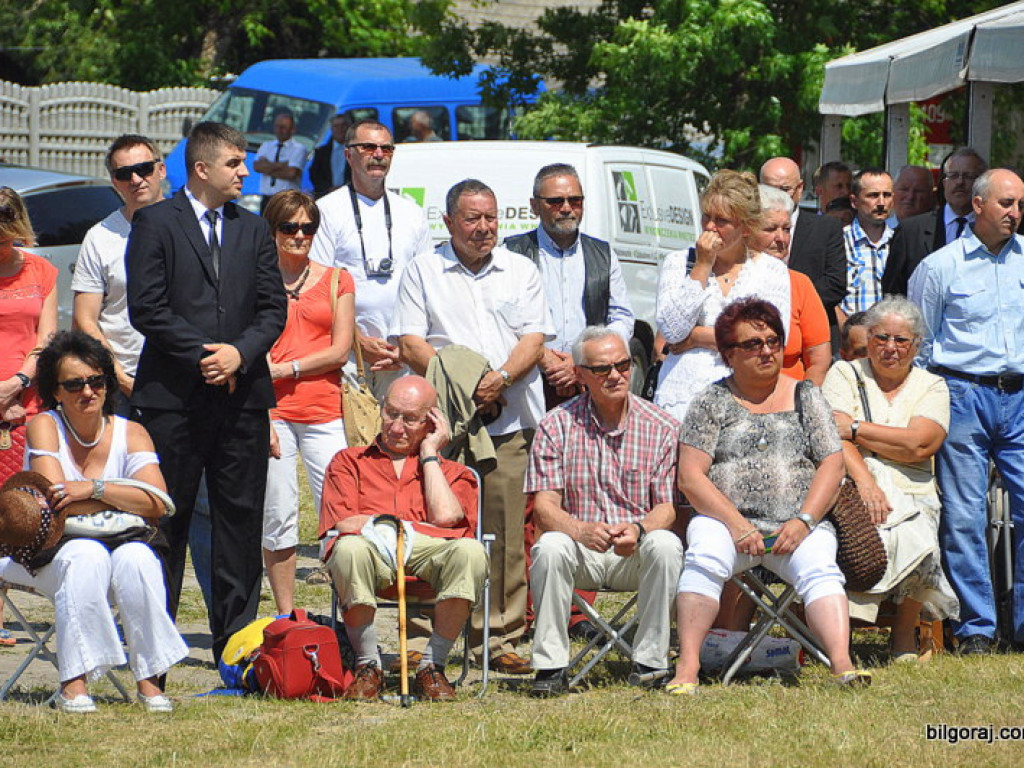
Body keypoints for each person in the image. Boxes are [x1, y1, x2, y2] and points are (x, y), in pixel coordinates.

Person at [125, 121, 288, 661]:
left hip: (242, 398)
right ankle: (156, 648)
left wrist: (239, 353)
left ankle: (236, 646)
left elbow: (272, 309)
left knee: (239, 522)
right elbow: (148, 308)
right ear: (202, 169)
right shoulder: (155, 223)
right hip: (173, 399)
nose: (246, 172)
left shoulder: (253, 228)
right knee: (165, 517)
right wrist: (205, 355)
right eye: (235, 163)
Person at [392, 178, 553, 675]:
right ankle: (425, 638)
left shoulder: (521, 270)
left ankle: (499, 638)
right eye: (471, 219)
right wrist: (467, 385)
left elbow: (534, 339)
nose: (483, 228)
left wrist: (500, 379)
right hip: (443, 426)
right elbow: (412, 343)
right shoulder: (423, 270)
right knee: (436, 529)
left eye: (490, 218)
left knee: (503, 532)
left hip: (510, 420)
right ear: (448, 222)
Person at [667, 298, 869, 694]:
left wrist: (804, 521)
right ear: (728, 354)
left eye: (773, 341)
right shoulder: (710, 401)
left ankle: (842, 664)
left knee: (821, 569)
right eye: (752, 344)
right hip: (726, 523)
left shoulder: (807, 395)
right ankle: (687, 666)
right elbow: (691, 477)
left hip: (797, 524)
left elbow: (832, 465)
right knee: (704, 558)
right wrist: (738, 526)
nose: (766, 350)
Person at [0, 330, 188, 712]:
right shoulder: (44, 425)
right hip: (37, 552)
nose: (87, 391)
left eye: (96, 381)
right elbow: (56, 503)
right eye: (74, 384)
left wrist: (92, 488)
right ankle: (74, 683)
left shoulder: (131, 432)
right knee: (87, 553)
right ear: (55, 391)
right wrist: (120, 496)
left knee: (138, 558)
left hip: (118, 547)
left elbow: (156, 502)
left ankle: (149, 683)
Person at [72, 134, 217, 619]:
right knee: (122, 499)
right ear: (113, 183)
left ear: (162, 170)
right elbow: (87, 320)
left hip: (187, 384)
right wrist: (118, 376)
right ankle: (125, 612)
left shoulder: (191, 225)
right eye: (122, 174)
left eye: (144, 169)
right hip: (124, 388)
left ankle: (210, 623)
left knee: (195, 505)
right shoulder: (102, 237)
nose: (135, 180)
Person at [525, 327, 683, 696]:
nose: (615, 375)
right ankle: (550, 667)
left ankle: (651, 662)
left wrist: (639, 529)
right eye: (601, 369)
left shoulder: (662, 427)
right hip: (582, 550)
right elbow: (544, 509)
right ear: (579, 374)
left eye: (623, 365)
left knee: (665, 545)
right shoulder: (555, 424)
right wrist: (579, 530)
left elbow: (666, 508)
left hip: (635, 550)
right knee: (549, 547)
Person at [909, 168, 1024, 654]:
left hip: (1019, 395)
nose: (1014, 214)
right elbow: (921, 342)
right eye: (1005, 204)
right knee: (963, 514)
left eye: (1019, 204)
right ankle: (976, 626)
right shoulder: (940, 267)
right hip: (962, 394)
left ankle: (1019, 624)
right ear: (977, 206)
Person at [320, 376, 487, 701]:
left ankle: (432, 666)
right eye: (391, 414)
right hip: (372, 556)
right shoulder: (348, 462)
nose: (396, 427)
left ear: (432, 421)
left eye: (410, 419)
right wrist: (406, 528)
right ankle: (369, 666)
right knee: (349, 547)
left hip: (429, 560)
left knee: (471, 551)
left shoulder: (455, 473)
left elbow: (448, 518)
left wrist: (429, 455)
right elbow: (343, 522)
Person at [822, 296, 958, 660]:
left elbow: (919, 446)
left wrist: (855, 427)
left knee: (921, 526)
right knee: (860, 525)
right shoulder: (844, 373)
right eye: (881, 338)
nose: (890, 348)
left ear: (916, 345)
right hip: (853, 481)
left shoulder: (932, 385)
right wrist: (867, 482)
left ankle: (902, 637)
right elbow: (832, 438)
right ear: (869, 339)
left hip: (914, 485)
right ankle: (842, 633)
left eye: (901, 340)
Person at [262, 190, 355, 614]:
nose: (300, 235)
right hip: (273, 411)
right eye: (290, 227)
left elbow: (340, 350)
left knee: (338, 513)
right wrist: (262, 407)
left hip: (324, 409)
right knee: (278, 514)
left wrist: (288, 369)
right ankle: (286, 616)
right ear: (272, 229)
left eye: (308, 227)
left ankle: (347, 615)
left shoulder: (337, 279)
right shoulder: (254, 278)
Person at [655, 170, 790, 421]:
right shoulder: (678, 263)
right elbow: (672, 331)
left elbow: (768, 341)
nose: (709, 226)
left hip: (747, 402)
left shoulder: (772, 271)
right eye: (706, 216)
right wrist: (702, 266)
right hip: (683, 401)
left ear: (746, 227)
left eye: (722, 220)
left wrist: (696, 336)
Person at [310, 119, 431, 399]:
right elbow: (319, 286)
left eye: (386, 149)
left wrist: (408, 346)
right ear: (348, 154)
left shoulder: (411, 213)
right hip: (348, 356)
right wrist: (357, 341)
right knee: (354, 441)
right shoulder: (326, 211)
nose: (378, 154)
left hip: (402, 355)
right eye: (368, 147)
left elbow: (426, 286)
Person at [505, 163, 634, 407]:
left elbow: (622, 318)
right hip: (528, 383)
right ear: (534, 206)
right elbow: (502, 319)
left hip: (589, 382)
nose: (566, 208)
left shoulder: (603, 254)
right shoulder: (511, 253)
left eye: (574, 200)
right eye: (555, 201)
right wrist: (543, 357)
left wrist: (581, 362)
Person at [0, 186, 58, 646]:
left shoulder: (42, 270)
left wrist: (17, 383)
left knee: (15, 508)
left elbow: (46, 339)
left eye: (7, 237)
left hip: (25, 402)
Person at [882, 147, 988, 296]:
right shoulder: (910, 231)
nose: (959, 182)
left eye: (968, 176)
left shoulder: (993, 230)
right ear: (944, 183)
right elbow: (892, 292)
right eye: (953, 175)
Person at [760, 157, 846, 338]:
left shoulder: (827, 228)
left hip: (812, 329)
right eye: (769, 189)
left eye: (784, 189)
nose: (777, 196)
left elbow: (834, 284)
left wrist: (792, 304)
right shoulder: (747, 228)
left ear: (799, 188)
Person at [753, 184, 830, 386]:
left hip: (789, 401)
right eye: (770, 229)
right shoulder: (726, 278)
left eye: (786, 229)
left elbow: (819, 359)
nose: (781, 238)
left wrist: (805, 401)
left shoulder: (800, 284)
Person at [838, 168, 895, 323]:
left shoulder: (900, 241)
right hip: (850, 340)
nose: (881, 203)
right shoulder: (838, 242)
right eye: (873, 195)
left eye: (887, 195)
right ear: (854, 201)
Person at [252, 111, 307, 214]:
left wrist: (267, 166)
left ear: (292, 129)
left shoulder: (299, 149)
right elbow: (257, 166)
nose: (279, 130)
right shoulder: (266, 146)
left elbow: (291, 174)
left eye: (283, 127)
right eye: (277, 126)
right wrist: (281, 165)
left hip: (287, 200)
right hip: (267, 198)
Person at [309, 113, 352, 200]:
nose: (339, 129)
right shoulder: (321, 152)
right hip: (325, 197)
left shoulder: (356, 152)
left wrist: (344, 188)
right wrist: (328, 189)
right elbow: (314, 175)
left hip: (349, 197)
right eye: (336, 126)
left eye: (343, 126)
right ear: (331, 129)